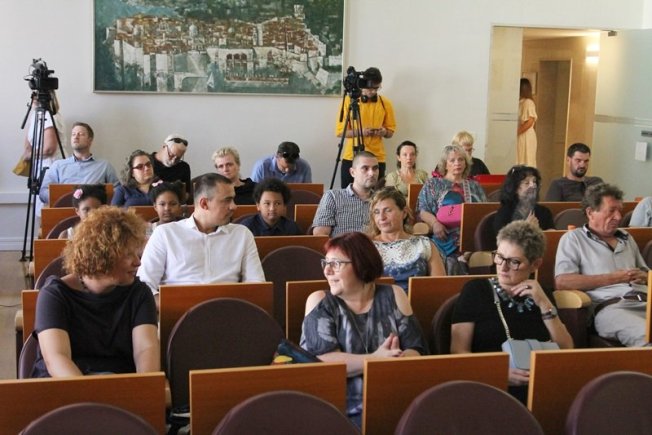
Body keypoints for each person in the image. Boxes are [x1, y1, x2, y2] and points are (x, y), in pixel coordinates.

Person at [301, 232, 426, 427]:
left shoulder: (394, 294)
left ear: (361, 264)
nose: (327, 271)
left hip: (391, 399)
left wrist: (396, 357)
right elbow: (323, 361)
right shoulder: (320, 301)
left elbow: (416, 350)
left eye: (335, 264)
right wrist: (377, 359)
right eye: (325, 263)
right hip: (336, 407)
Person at [451, 220, 573, 403]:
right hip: (488, 384)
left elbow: (566, 349)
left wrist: (544, 303)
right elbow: (458, 352)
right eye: (499, 257)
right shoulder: (476, 290)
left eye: (514, 262)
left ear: (535, 264)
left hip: (539, 384)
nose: (503, 267)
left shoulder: (541, 294)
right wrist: (499, 373)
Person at [32, 207, 159, 377]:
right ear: (102, 256)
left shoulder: (140, 293)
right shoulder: (54, 295)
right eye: (128, 255)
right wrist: (95, 392)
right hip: (65, 385)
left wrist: (143, 387)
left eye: (137, 254)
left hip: (122, 384)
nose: (138, 262)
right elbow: (57, 359)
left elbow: (146, 349)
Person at [137, 173, 265, 307]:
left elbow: (257, 286)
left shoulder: (242, 235)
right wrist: (173, 307)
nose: (234, 206)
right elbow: (144, 285)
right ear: (204, 204)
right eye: (227, 200)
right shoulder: (165, 234)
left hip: (228, 312)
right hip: (177, 313)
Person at [555, 183, 649, 347]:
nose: (618, 217)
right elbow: (563, 282)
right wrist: (614, 278)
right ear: (590, 212)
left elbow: (645, 273)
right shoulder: (573, 239)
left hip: (646, 303)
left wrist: (645, 276)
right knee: (646, 336)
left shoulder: (627, 238)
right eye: (611, 211)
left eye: (619, 210)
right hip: (613, 308)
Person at [417, 145, 486, 268]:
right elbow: (423, 210)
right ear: (445, 164)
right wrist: (435, 224)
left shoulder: (474, 186)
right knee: (451, 262)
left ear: (466, 163)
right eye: (452, 160)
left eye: (461, 159)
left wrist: (469, 236)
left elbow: (484, 212)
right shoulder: (433, 184)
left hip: (471, 238)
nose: (457, 163)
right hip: (444, 236)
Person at [368, 187, 445, 292]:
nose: (382, 217)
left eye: (388, 210)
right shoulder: (366, 246)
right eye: (376, 212)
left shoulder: (424, 244)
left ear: (404, 213)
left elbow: (440, 287)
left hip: (419, 301)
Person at [335, 67, 396, 187]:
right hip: (351, 157)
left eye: (376, 88)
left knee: (377, 195)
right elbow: (340, 132)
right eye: (370, 88)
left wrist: (384, 132)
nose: (372, 91)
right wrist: (361, 132)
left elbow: (390, 132)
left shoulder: (385, 103)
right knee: (347, 194)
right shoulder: (349, 101)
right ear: (363, 84)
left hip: (377, 157)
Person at [38, 122, 120, 205]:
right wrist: (60, 198)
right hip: (65, 209)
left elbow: (118, 190)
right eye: (73, 134)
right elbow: (43, 191)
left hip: (95, 210)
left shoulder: (104, 166)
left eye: (80, 134)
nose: (76, 137)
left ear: (90, 140)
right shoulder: (57, 166)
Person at [312, 151, 379, 237]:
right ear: (352, 172)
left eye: (375, 168)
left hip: (373, 245)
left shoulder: (380, 199)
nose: (372, 173)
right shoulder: (333, 196)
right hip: (341, 245)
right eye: (365, 168)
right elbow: (320, 235)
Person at [494, 165, 554, 235]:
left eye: (534, 181)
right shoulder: (505, 213)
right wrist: (527, 228)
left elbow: (552, 233)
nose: (533, 186)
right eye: (527, 183)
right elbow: (504, 239)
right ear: (515, 188)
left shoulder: (544, 211)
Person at [21, 90, 65, 172]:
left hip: (52, 166)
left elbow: (49, 150)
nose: (34, 97)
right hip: (38, 165)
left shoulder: (49, 116)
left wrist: (29, 155)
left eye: (37, 94)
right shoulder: (35, 115)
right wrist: (28, 153)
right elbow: (28, 144)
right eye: (34, 94)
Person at [151, 134, 192, 202]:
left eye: (178, 158)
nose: (173, 160)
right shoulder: (146, 163)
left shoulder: (184, 167)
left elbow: (186, 193)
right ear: (164, 147)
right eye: (171, 155)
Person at [517, 78, 538, 167]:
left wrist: (517, 132)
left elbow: (530, 121)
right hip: (520, 134)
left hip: (526, 135)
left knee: (527, 160)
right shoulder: (520, 102)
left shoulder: (528, 102)